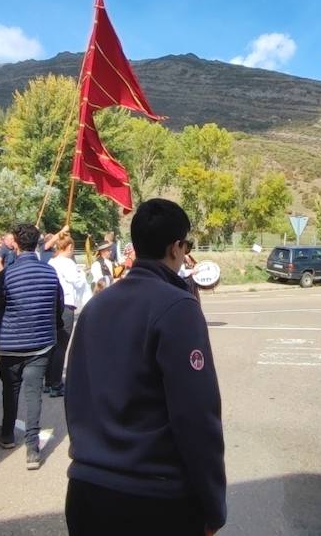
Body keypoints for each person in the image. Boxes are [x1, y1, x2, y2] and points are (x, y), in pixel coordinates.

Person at [64, 198, 226, 535]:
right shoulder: (177, 306)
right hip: (152, 500)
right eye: (187, 246)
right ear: (175, 247)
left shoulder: (96, 306)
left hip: (85, 491)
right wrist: (213, 505)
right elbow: (196, 416)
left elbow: (76, 392)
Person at [0, 223, 63, 471]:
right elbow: (58, 307)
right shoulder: (50, 273)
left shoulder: (7, 275)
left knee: (9, 390)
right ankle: (32, 448)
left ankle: (8, 434)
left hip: (10, 344)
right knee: (33, 395)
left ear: (17, 244)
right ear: (37, 243)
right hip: (40, 344)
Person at [47, 235, 91, 398]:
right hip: (65, 303)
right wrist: (81, 273)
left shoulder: (52, 262)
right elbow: (77, 281)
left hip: (52, 304)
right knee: (61, 344)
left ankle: (49, 380)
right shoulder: (68, 263)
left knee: (52, 343)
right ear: (69, 248)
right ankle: (56, 383)